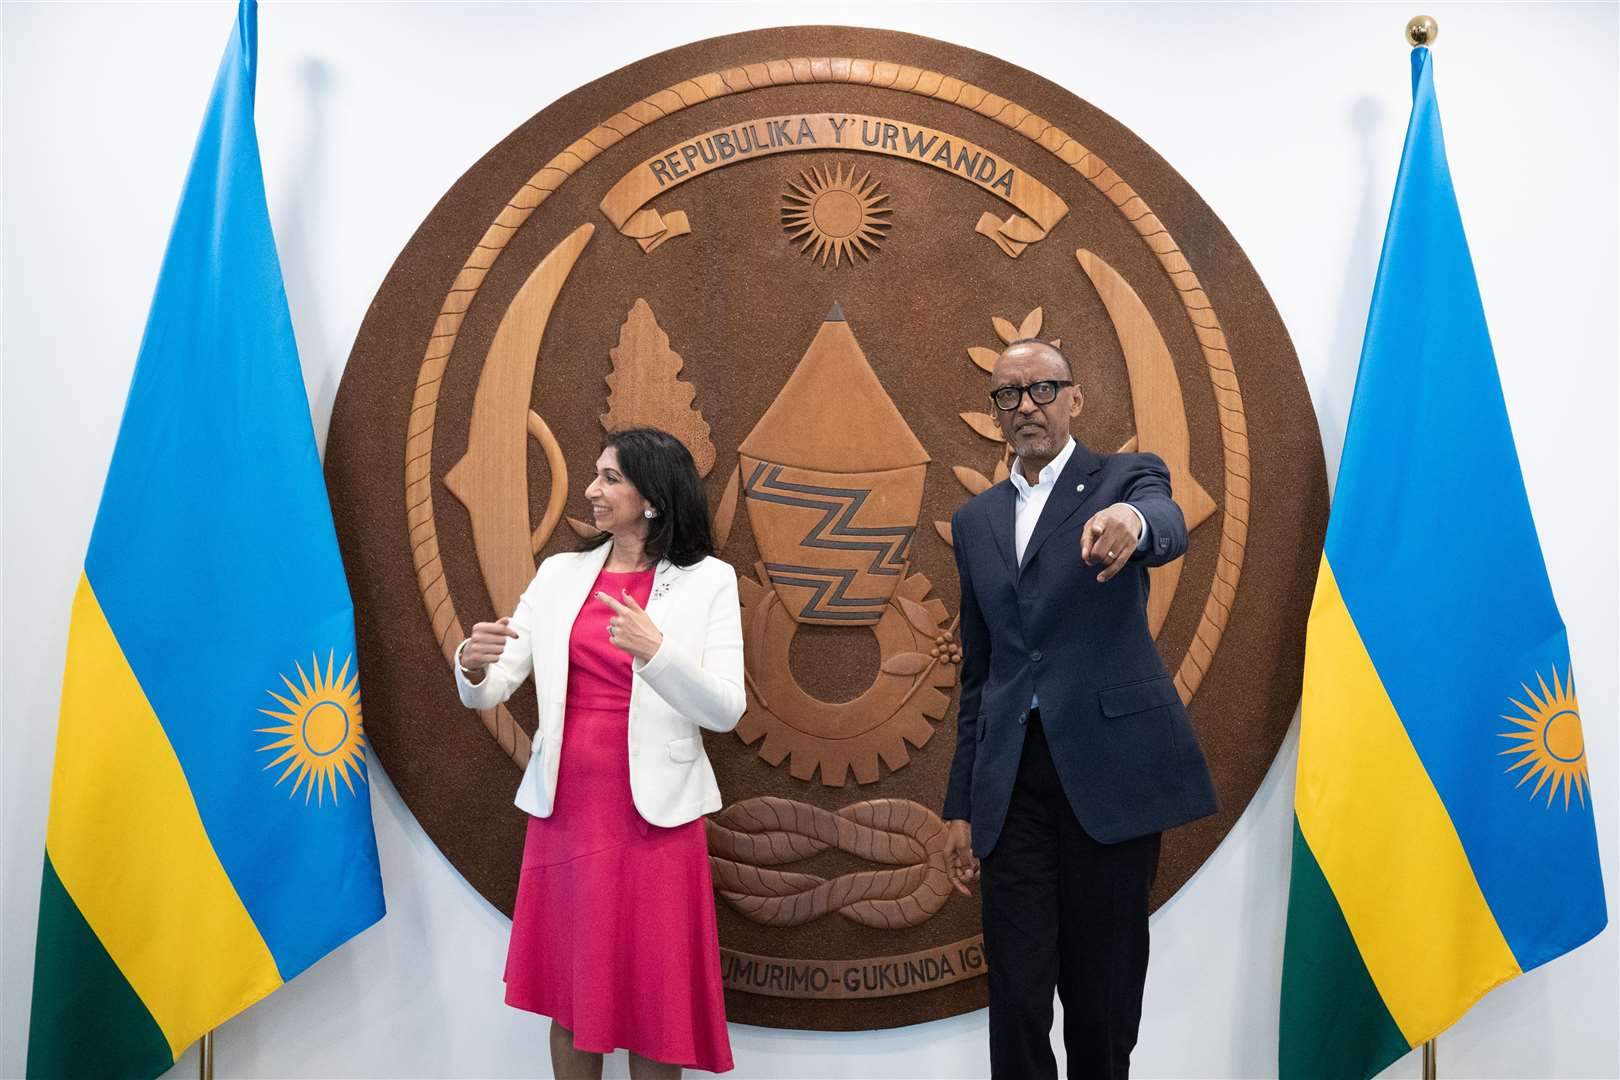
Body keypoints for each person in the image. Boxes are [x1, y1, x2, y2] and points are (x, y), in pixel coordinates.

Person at [940, 340, 1218, 1079]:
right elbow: (981, 669)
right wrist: (961, 802)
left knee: (1102, 1005)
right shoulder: (976, 522)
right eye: (1008, 395)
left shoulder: (1121, 478)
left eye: (1041, 389)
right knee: (1018, 1002)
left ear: (1075, 400)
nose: (1025, 405)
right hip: (1012, 786)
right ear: (994, 412)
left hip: (1109, 776)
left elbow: (1164, 516)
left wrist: (1131, 521)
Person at [454, 427, 742, 1079]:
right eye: (596, 474)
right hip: (569, 810)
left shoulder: (709, 583)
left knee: (654, 999)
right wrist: (472, 667)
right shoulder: (561, 574)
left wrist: (657, 651)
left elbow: (725, 709)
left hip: (657, 818)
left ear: (654, 498)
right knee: (572, 997)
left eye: (610, 478)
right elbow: (498, 682)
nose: (592, 489)